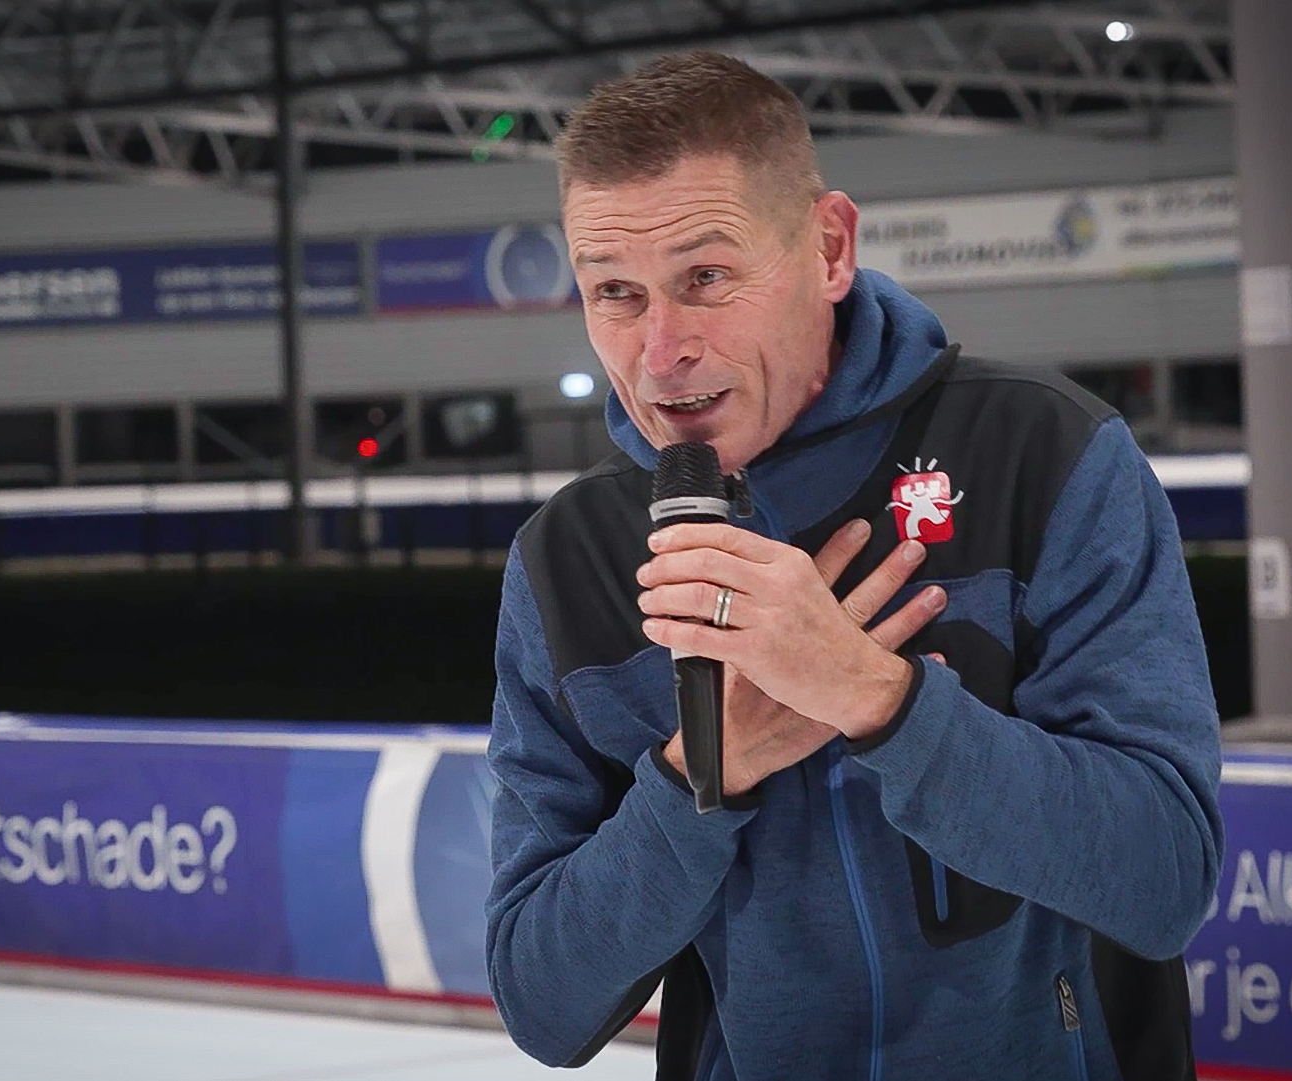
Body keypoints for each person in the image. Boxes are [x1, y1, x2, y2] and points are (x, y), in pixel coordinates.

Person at [486, 50, 1222, 1081]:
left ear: (830, 248)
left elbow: (1165, 875)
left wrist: (880, 700)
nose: (660, 351)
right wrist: (704, 771)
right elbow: (540, 1001)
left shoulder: (1043, 454)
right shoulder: (569, 562)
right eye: (615, 292)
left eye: (705, 278)